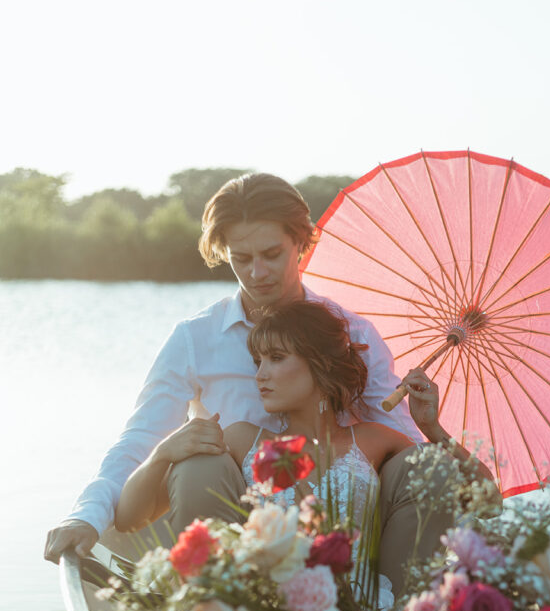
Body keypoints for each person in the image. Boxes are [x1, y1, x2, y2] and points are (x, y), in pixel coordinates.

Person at [44, 172, 422, 565]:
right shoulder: (196, 338)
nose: (258, 272)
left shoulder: (353, 333)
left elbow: (401, 439)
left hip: (339, 527)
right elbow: (137, 440)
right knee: (199, 464)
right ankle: (219, 598)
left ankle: (389, 599)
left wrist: (435, 445)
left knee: (415, 467)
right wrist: (84, 516)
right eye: (242, 258)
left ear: (301, 242)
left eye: (271, 254)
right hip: (228, 519)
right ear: (225, 253)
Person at [114, 301, 494, 596]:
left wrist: (432, 428)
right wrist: (163, 452)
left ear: (321, 365)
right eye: (258, 360)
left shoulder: (375, 440)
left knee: (427, 462)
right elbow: (130, 517)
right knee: (197, 465)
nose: (260, 374)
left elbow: (488, 500)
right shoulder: (243, 439)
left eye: (276, 359)